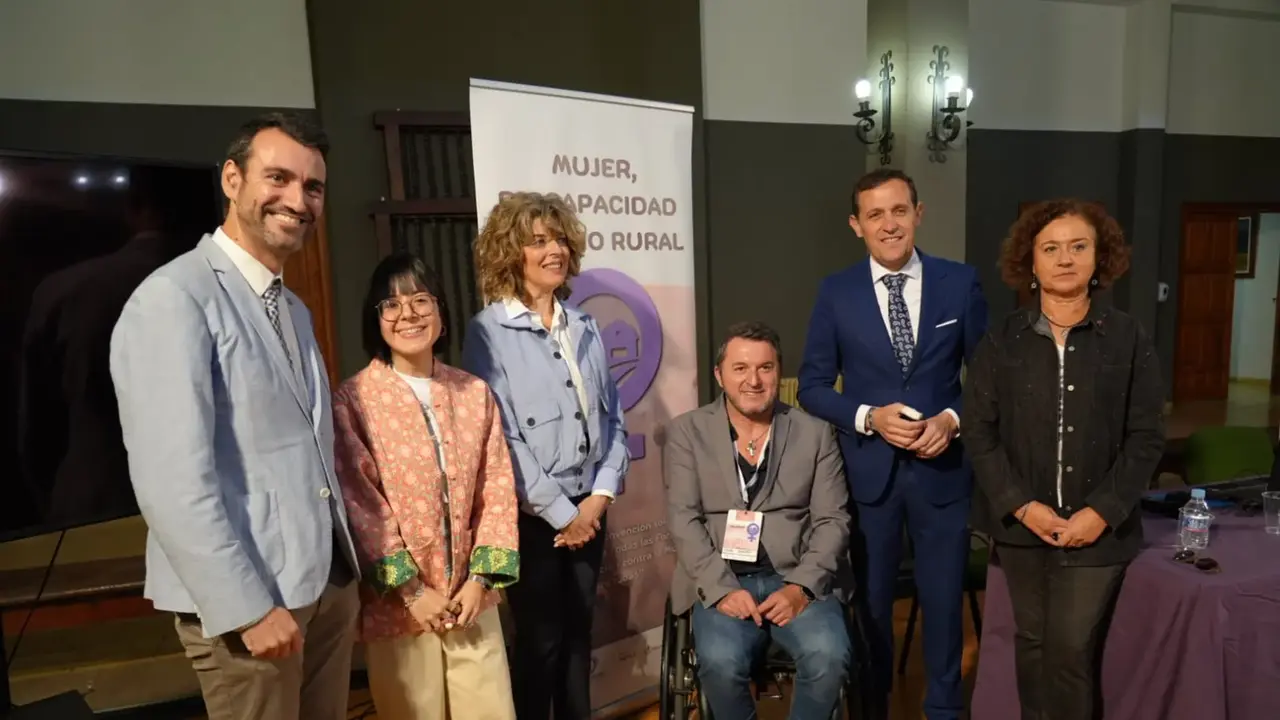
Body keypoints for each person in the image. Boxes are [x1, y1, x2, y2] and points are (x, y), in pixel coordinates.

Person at [109, 112, 361, 720]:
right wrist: (247, 609)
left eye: (313, 187)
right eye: (278, 178)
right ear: (231, 179)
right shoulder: (173, 298)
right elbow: (172, 482)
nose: (297, 200)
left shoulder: (293, 308)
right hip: (252, 608)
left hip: (325, 587)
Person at [962, 199, 1164, 720]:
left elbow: (1146, 436)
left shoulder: (1128, 337)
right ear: (1031, 262)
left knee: (1070, 650)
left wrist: (1101, 512)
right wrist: (1023, 507)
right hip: (1023, 526)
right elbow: (979, 433)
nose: (1065, 259)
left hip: (1098, 529)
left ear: (1100, 258)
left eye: (1079, 247)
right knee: (1031, 643)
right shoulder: (1001, 341)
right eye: (1050, 249)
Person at [797, 168, 987, 720]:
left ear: (918, 214)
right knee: (872, 606)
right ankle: (871, 709)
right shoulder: (836, 292)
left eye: (899, 211)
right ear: (856, 225)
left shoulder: (960, 283)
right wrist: (869, 418)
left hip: (943, 474)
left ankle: (944, 709)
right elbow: (812, 386)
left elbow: (990, 380)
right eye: (875, 214)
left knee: (944, 604)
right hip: (868, 476)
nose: (889, 224)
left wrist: (952, 419)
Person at [461, 191, 630, 720]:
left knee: (580, 639)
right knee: (540, 645)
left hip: (590, 511)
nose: (554, 250)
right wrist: (564, 515)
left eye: (558, 239)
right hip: (534, 520)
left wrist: (598, 499)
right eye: (538, 241)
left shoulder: (585, 326)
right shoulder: (487, 332)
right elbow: (502, 438)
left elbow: (614, 420)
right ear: (510, 253)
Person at [333, 253, 521, 720]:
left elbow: (496, 487)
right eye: (391, 305)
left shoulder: (474, 393)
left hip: (471, 600)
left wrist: (479, 581)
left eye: (420, 300)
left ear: (440, 312)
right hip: (401, 610)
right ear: (375, 319)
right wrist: (414, 593)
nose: (408, 314)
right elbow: (360, 504)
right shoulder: (354, 400)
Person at [666, 321, 853, 720]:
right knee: (718, 663)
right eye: (740, 368)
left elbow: (833, 520)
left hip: (797, 577)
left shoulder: (816, 433)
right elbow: (684, 520)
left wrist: (801, 588)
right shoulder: (687, 433)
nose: (753, 380)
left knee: (829, 656)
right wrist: (721, 590)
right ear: (719, 375)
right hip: (722, 579)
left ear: (778, 373)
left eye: (765, 368)